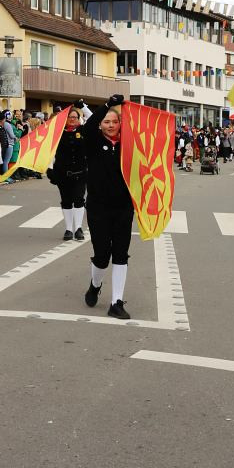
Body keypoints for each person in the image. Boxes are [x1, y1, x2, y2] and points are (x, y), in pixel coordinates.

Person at [81, 95, 134, 320]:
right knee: (102, 256)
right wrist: (106, 106)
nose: (111, 126)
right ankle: (95, 285)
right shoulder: (92, 142)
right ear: (101, 124)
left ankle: (116, 302)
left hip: (123, 207)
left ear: (121, 124)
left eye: (115, 122)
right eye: (106, 122)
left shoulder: (129, 145)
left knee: (121, 254)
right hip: (98, 208)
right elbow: (88, 127)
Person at [49, 107, 86, 241]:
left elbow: (94, 119)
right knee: (66, 201)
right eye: (69, 117)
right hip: (62, 173)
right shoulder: (57, 133)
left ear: (78, 119)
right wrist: (50, 170)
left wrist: (83, 107)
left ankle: (78, 228)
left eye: (75, 117)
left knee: (79, 199)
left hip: (80, 173)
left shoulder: (84, 131)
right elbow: (50, 152)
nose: (72, 119)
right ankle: (69, 229)